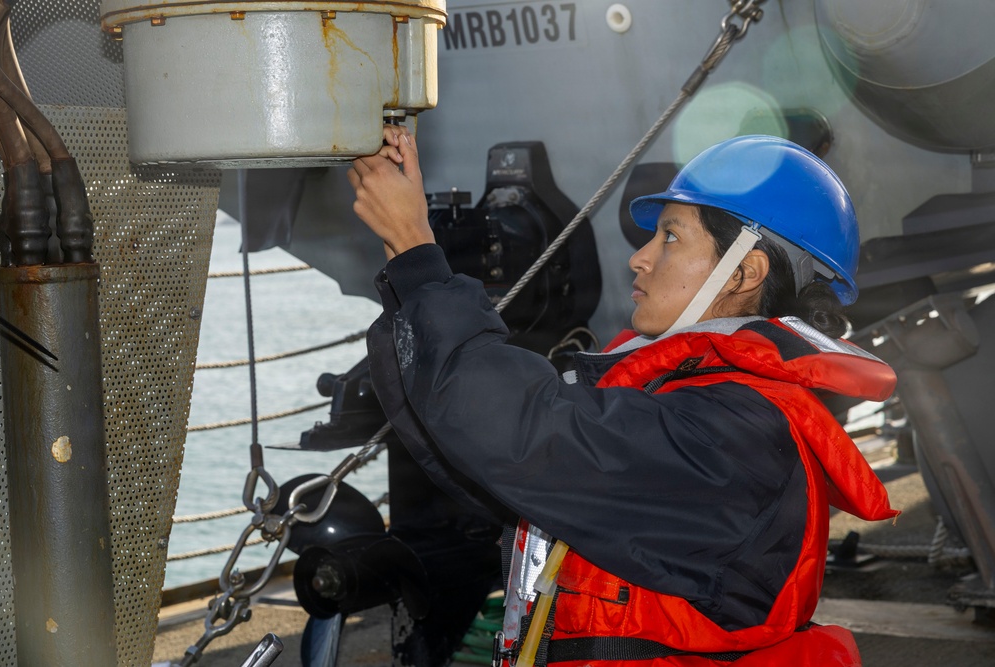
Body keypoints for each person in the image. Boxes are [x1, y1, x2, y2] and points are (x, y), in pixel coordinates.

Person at [347, 129, 899, 666]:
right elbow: (479, 456)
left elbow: (524, 434)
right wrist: (406, 271)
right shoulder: (700, 404)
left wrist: (417, 252)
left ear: (744, 273)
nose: (640, 258)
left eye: (671, 237)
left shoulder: (735, 432)